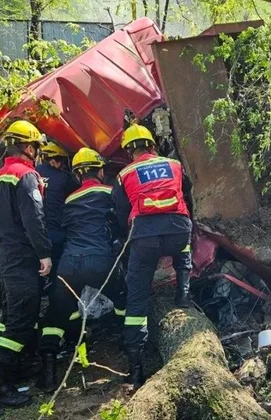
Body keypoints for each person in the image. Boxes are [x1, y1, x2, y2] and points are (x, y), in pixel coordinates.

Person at [36, 147, 127, 392]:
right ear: (99, 170)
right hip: (101, 261)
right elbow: (122, 222)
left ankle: (48, 374)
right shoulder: (111, 192)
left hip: (69, 265)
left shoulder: (69, 200)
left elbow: (64, 230)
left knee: (56, 314)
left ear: (77, 175)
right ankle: (128, 349)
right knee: (122, 299)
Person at [112, 124, 194, 389]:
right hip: (178, 229)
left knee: (136, 300)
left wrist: (131, 238)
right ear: (152, 144)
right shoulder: (174, 164)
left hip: (144, 237)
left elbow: (121, 211)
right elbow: (187, 193)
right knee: (183, 247)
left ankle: (136, 372)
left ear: (128, 151)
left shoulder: (125, 174)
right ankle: (183, 295)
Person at [0, 120, 52, 407]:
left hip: (4, 256)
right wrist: (44, 253)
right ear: (28, 147)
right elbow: (33, 220)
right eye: (36, 147)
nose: (37, 153)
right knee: (22, 319)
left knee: (11, 316)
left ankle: (13, 369)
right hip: (23, 258)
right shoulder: (25, 176)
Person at [36, 143, 79, 288]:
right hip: (56, 233)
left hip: (34, 233)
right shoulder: (64, 178)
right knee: (57, 270)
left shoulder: (31, 174)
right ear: (54, 161)